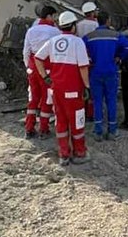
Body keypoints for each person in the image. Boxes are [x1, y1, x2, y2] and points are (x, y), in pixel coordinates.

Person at [34, 11, 91, 166]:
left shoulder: (53, 41)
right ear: (73, 26)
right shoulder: (78, 42)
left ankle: (63, 154)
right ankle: (79, 153)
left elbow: (37, 58)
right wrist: (87, 86)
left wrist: (45, 77)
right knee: (77, 122)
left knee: (61, 122)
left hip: (56, 90)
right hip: (74, 91)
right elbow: (83, 67)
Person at [83, 11, 128, 141]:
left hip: (95, 72)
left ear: (97, 20)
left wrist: (89, 59)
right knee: (111, 101)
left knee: (97, 101)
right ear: (108, 20)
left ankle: (98, 131)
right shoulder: (116, 35)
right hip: (111, 71)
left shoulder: (89, 36)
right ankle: (112, 130)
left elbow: (81, 49)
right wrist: (119, 58)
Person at [22, 5, 61, 139]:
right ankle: (43, 129)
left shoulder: (31, 31)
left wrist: (29, 67)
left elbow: (26, 52)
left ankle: (29, 127)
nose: (56, 19)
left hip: (33, 69)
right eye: (55, 16)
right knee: (47, 99)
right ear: (50, 16)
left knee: (33, 98)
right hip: (47, 70)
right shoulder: (56, 32)